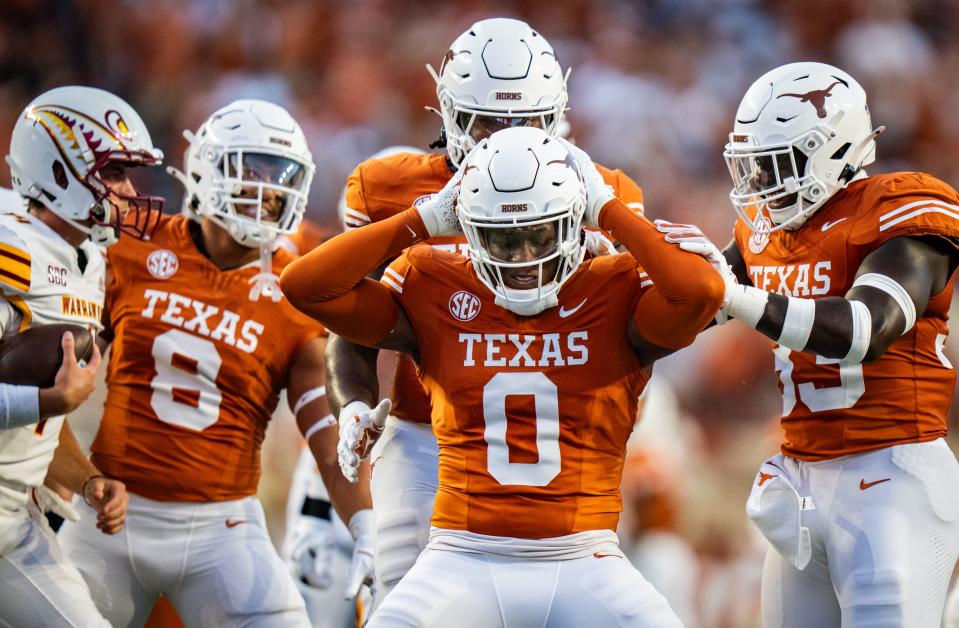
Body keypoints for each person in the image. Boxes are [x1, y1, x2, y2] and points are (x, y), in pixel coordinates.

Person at [281, 126, 725, 627]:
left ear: (576, 222)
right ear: (466, 227)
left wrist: (606, 209)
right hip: (461, 553)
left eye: (540, 233)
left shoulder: (611, 289)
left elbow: (704, 292)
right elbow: (304, 287)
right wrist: (422, 219)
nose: (522, 258)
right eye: (502, 237)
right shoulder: (436, 282)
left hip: (585, 555)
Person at [325, 17, 645, 602]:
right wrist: (353, 403)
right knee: (399, 600)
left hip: (551, 441)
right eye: (489, 120)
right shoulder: (389, 190)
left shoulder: (603, 194)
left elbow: (631, 336)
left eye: (525, 119)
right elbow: (351, 322)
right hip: (423, 436)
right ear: (447, 114)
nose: (508, 135)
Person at [58, 98, 374, 627]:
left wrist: (365, 525)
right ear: (206, 167)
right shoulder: (131, 248)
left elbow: (326, 432)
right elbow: (63, 371)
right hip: (110, 511)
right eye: (253, 170)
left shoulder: (295, 290)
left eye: (282, 176)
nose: (268, 190)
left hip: (222, 529)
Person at [682, 61, 959, 626]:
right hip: (802, 480)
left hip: (891, 476)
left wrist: (735, 298)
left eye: (775, 164)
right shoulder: (766, 233)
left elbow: (863, 331)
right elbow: (690, 309)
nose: (760, 181)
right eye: (752, 165)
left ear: (832, 151)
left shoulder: (899, 210)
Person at [0, 85, 162, 626]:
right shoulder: (9, 249)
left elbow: (42, 415)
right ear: (60, 171)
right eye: (115, 172)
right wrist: (45, 398)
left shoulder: (88, 259)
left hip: (15, 515)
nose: (129, 190)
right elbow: (42, 398)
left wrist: (85, 477)